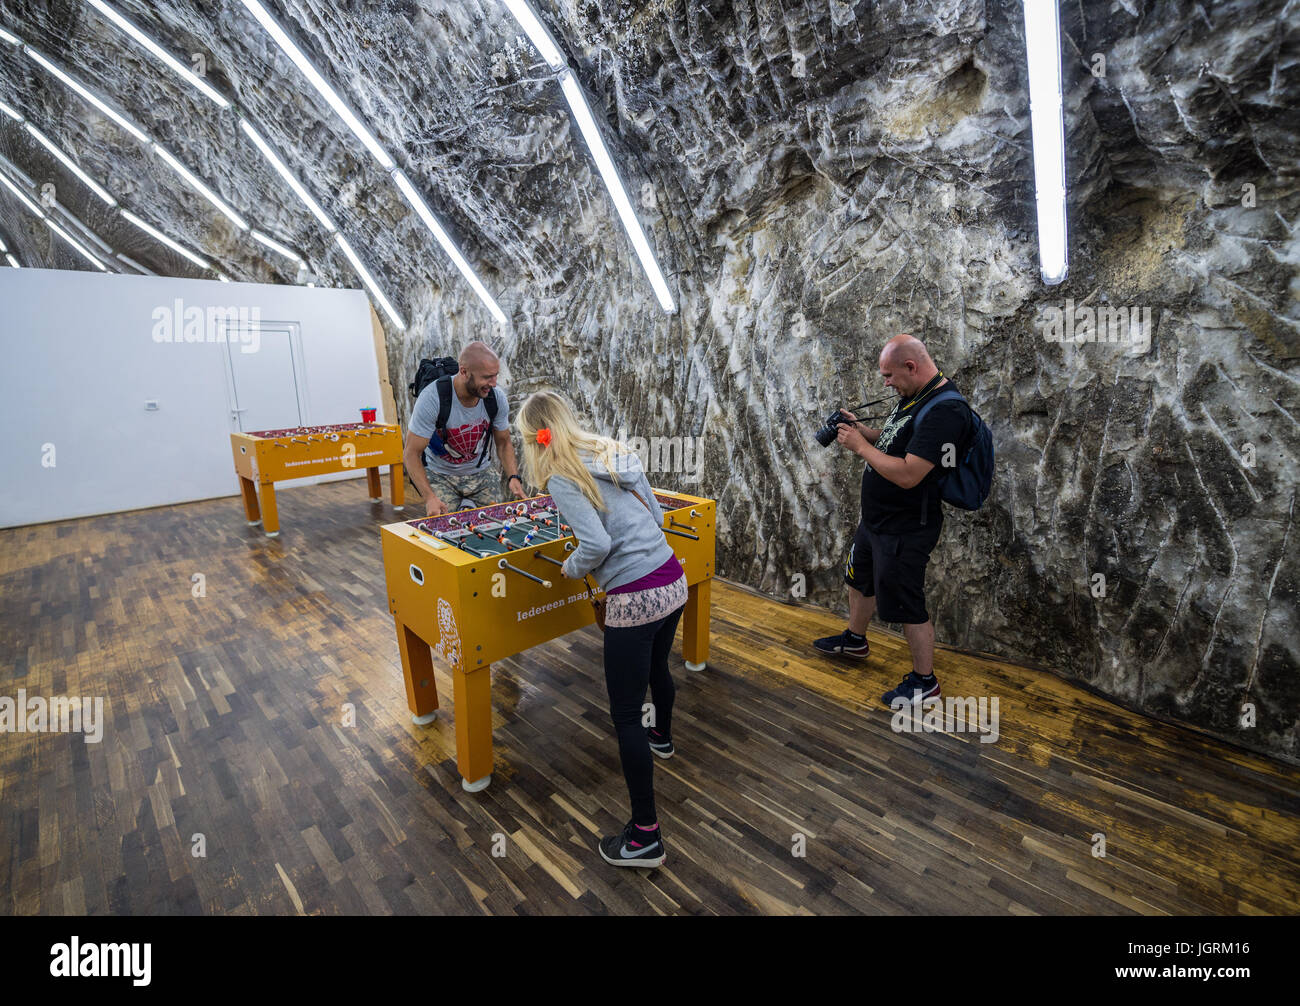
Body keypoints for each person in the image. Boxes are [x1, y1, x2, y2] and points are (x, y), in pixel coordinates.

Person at [518, 391, 685, 869]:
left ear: (534, 438)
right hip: (672, 579)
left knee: (626, 716)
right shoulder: (610, 449)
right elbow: (654, 514)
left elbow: (596, 543)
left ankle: (645, 839)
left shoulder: (559, 474)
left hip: (633, 598)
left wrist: (572, 570)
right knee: (658, 667)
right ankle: (665, 739)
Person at [813, 334, 972, 708]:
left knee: (907, 604)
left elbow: (909, 474)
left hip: (906, 528)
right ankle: (855, 640)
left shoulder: (945, 412)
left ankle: (924, 681)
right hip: (877, 521)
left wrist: (861, 448)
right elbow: (892, 444)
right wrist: (860, 432)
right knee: (860, 579)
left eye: (889, 375)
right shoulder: (914, 397)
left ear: (911, 367)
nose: (885, 382)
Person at [403, 342, 527, 515]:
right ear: (463, 372)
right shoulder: (432, 399)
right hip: (440, 475)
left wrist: (514, 477)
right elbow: (411, 453)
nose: (493, 383)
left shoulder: (495, 398)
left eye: (495, 375)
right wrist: (430, 497)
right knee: (446, 532)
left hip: (481, 472)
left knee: (498, 524)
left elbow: (504, 443)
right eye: (486, 377)